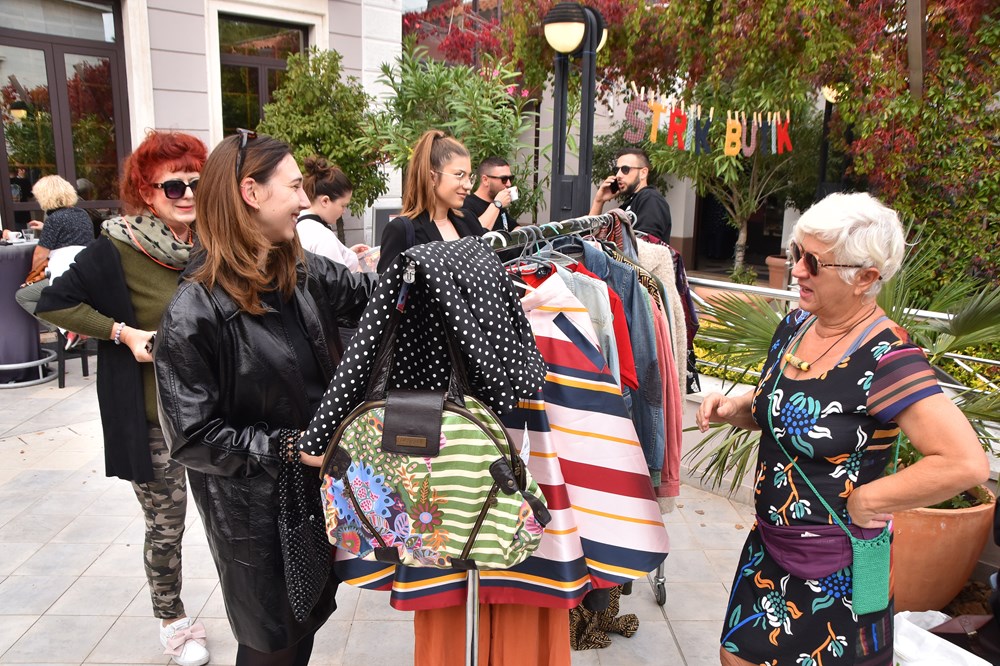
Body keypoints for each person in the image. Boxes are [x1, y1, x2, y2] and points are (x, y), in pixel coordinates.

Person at [694, 192, 989, 666]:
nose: (797, 269)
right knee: (736, 658)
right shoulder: (795, 326)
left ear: (866, 278)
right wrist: (736, 407)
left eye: (813, 261)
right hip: (770, 546)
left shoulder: (888, 358)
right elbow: (784, 410)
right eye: (796, 252)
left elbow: (965, 462)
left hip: (839, 567)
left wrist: (870, 500)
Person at [154, 130, 377, 665]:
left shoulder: (299, 270)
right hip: (255, 515)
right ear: (251, 192)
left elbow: (373, 299)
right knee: (272, 640)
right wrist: (288, 447)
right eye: (294, 187)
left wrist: (438, 272)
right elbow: (191, 436)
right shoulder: (194, 309)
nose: (304, 200)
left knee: (303, 624)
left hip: (312, 492)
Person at [34, 131, 210, 666]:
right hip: (152, 416)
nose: (186, 193)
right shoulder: (116, 246)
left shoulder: (213, 241)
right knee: (167, 526)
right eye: (173, 185)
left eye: (196, 182)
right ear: (147, 193)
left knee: (232, 517)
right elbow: (47, 301)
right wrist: (121, 332)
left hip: (216, 414)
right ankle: (172, 620)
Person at [376, 129, 483, 273]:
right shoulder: (402, 230)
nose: (468, 185)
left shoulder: (468, 220)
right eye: (459, 175)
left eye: (469, 177)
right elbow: (388, 284)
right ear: (432, 177)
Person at [14, 174, 94, 315]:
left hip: (64, 277)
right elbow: (70, 234)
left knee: (23, 296)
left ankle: (60, 325)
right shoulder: (82, 214)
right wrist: (45, 227)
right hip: (85, 275)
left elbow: (40, 255)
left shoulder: (54, 219)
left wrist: (31, 278)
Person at [297, 156, 370, 271]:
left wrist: (346, 253)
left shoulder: (298, 224)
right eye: (343, 205)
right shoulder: (322, 237)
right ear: (325, 201)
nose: (344, 211)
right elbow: (338, 279)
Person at [590, 147, 672, 242]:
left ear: (643, 173)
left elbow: (646, 243)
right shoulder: (628, 204)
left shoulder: (651, 198)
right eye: (617, 170)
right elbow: (588, 236)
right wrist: (598, 201)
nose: (618, 175)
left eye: (625, 169)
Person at [461, 156, 517, 232]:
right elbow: (476, 232)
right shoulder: (466, 204)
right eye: (504, 179)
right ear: (485, 180)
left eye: (510, 178)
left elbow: (514, 228)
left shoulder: (499, 203)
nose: (509, 184)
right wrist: (497, 204)